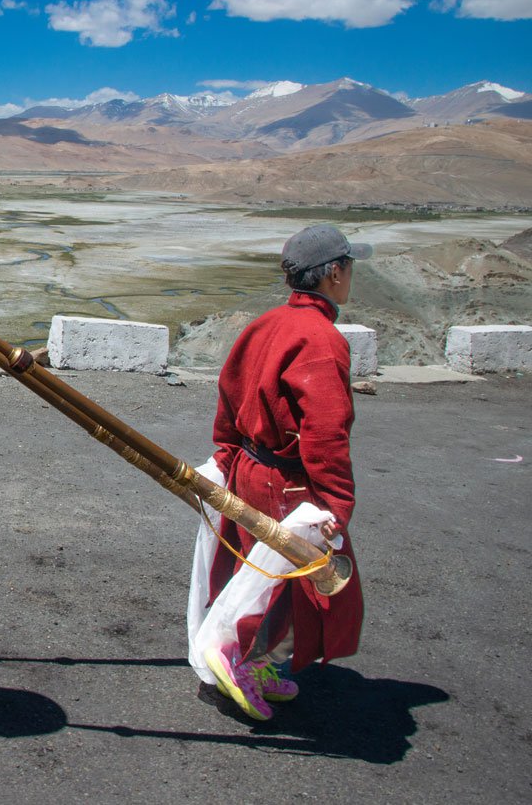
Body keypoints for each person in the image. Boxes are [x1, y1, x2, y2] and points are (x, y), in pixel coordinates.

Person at [192, 223, 370, 721]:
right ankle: (241, 660)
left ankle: (257, 660)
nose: (351, 275)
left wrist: (228, 456)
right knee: (286, 579)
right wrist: (335, 506)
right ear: (334, 273)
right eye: (350, 266)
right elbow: (326, 434)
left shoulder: (264, 324)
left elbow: (228, 394)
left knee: (255, 569)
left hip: (251, 467)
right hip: (288, 485)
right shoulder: (321, 339)